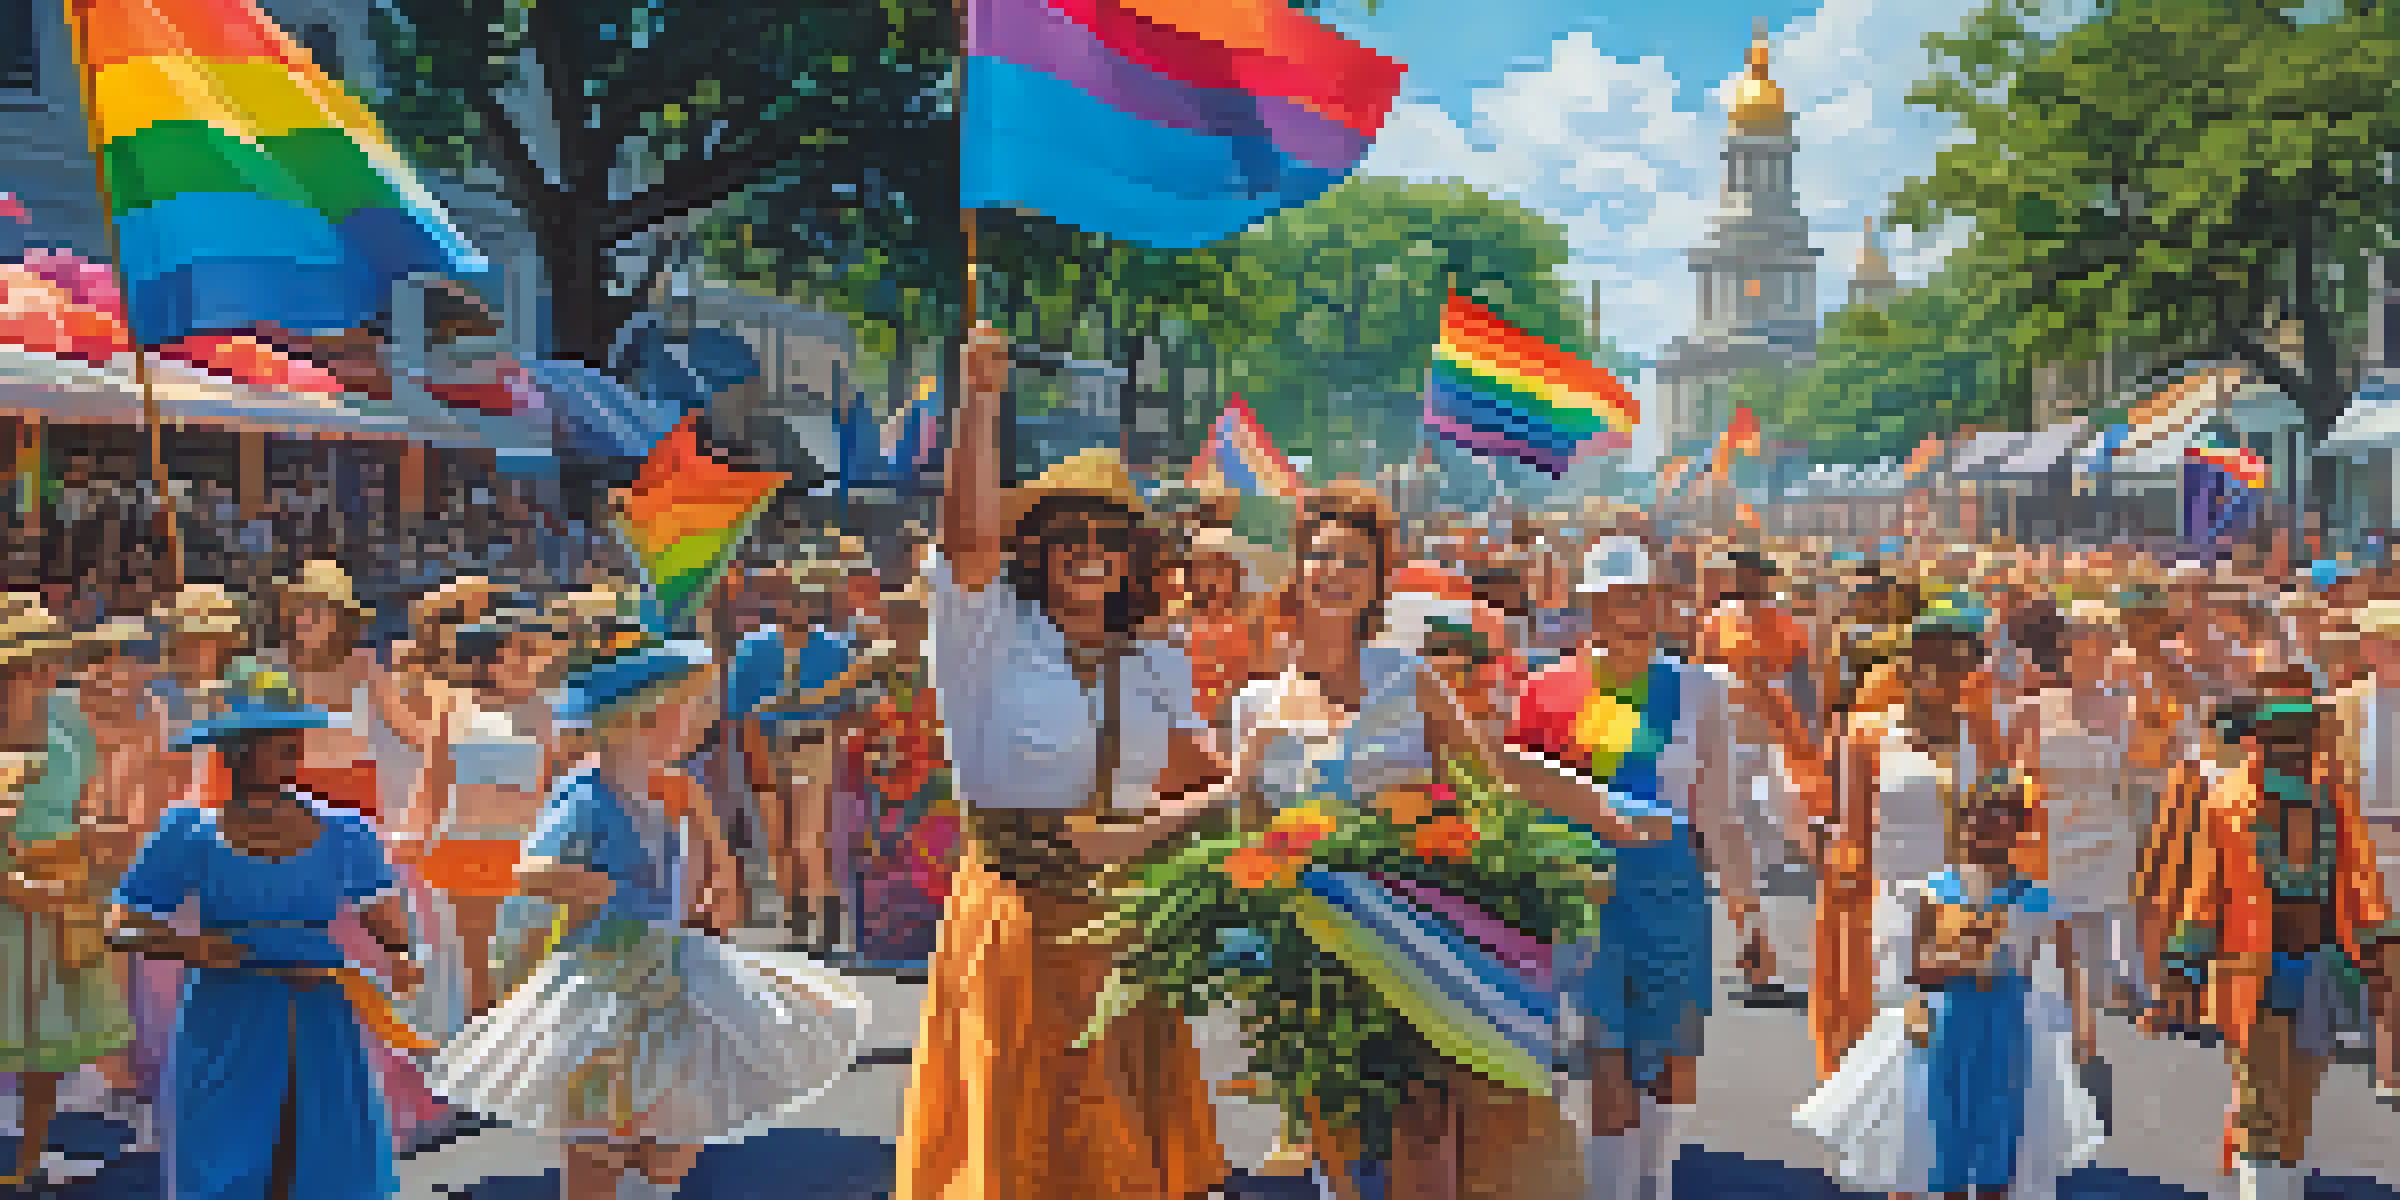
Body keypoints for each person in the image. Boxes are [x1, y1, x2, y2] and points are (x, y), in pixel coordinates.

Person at [899, 326, 1233, 1200]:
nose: (1090, 548)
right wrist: (979, 400)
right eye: (1067, 533)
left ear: (1135, 557)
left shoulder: (1157, 658)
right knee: (1021, 1154)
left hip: (1125, 932)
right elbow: (968, 542)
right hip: (1015, 930)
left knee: (1121, 1155)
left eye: (1111, 535)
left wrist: (1289, 782)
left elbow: (1207, 778)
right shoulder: (989, 636)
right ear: (1035, 552)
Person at [1228, 487, 1589, 1200]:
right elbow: (1244, 836)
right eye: (1320, 555)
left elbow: (1489, 800)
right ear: (1296, 570)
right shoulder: (1257, 703)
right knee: (1334, 1122)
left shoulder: (1413, 679)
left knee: (1424, 1119)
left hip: (1424, 943)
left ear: (1377, 579)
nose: (1334, 572)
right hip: (1318, 945)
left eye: (1353, 561)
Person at [1506, 534, 1775, 1200]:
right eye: (1615, 599)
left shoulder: (1700, 691)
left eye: (1641, 597)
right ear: (1588, 607)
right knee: (1607, 1061)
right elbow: (1515, 794)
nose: (1630, 612)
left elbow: (1721, 814)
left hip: (1673, 890)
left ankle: (1649, 1186)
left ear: (1660, 603)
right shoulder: (1546, 691)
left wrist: (1749, 914)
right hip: (1585, 889)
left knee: (1667, 1070)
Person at [108, 667, 428, 1200]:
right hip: (225, 1010)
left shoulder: (347, 829)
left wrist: (398, 949)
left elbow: (389, 925)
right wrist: (191, 946)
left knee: (315, 1146)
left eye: (292, 740)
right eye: (274, 742)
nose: (292, 753)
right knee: (221, 1147)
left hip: (317, 1007)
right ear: (233, 750)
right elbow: (121, 923)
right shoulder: (187, 831)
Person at [1795, 770, 2105, 1199]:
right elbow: (1917, 967)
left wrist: (2081, 1027)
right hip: (1947, 1026)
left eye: (2003, 815)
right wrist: (1964, 960)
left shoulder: (2038, 897)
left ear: (2018, 825)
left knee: (1999, 1141)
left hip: (2008, 1030)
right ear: (1963, 822)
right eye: (1981, 814)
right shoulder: (1934, 891)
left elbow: (2072, 965)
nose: (1990, 825)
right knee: (1947, 1142)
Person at [2164, 671, 2398, 1200]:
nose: (2293, 747)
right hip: (2252, 972)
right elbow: (2204, 892)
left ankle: (2278, 1179)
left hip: (2319, 968)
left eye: (2303, 734)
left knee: (2298, 1101)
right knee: (2259, 1098)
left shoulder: (2335, 803)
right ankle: (2259, 1184)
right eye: (2280, 736)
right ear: (2258, 740)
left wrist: (2385, 960)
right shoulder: (2227, 804)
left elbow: (2364, 887)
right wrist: (2182, 970)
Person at [1814, 595, 2012, 1085]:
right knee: (1895, 1031)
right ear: (1908, 667)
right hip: (1893, 908)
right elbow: (1851, 831)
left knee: (1957, 1037)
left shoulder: (1985, 734)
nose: (1944, 677)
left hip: (1965, 909)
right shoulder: (1866, 735)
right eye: (1932, 663)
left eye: (1958, 665)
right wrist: (1846, 914)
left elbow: (2005, 822)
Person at [0, 601, 140, 1189]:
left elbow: (82, 800)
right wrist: (16, 883)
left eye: (46, 661)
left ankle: (25, 1165)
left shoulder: (66, 716)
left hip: (64, 882)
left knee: (47, 1045)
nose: (40, 672)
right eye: (26, 663)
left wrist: (98, 840)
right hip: (12, 885)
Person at [1696, 549, 1817, 1002]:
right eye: (1737, 573)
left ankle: (1769, 948)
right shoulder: (1716, 621)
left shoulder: (1789, 623)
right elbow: (1699, 679)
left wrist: (1813, 746)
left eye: (1752, 573)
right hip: (1726, 750)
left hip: (1776, 749)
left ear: (1766, 577)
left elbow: (1804, 688)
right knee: (1736, 859)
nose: (1745, 580)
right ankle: (1756, 954)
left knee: (1775, 852)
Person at [2333, 598, 2400, 1103]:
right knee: (2380, 959)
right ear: (2369, 648)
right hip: (2364, 842)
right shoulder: (2347, 704)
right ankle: (2387, 1063)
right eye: (2386, 640)